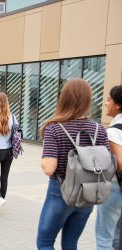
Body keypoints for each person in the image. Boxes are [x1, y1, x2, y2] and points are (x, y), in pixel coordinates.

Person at [36, 79, 109, 249]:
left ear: (64, 99)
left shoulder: (55, 128)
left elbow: (49, 168)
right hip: (89, 193)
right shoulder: (99, 129)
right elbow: (106, 164)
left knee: (45, 244)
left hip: (61, 192)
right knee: (71, 243)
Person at [96, 85, 122, 250]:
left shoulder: (113, 131)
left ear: (118, 104)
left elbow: (119, 163)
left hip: (114, 187)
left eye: (108, 99)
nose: (106, 103)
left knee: (104, 239)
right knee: (117, 238)